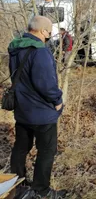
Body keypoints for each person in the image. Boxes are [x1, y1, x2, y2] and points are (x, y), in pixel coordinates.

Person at [8, 16, 66, 198]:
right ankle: (41, 191)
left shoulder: (16, 47)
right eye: (49, 33)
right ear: (43, 31)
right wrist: (58, 101)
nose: (49, 37)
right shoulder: (40, 51)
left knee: (20, 148)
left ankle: (18, 186)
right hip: (41, 112)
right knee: (47, 150)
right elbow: (46, 84)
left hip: (22, 110)